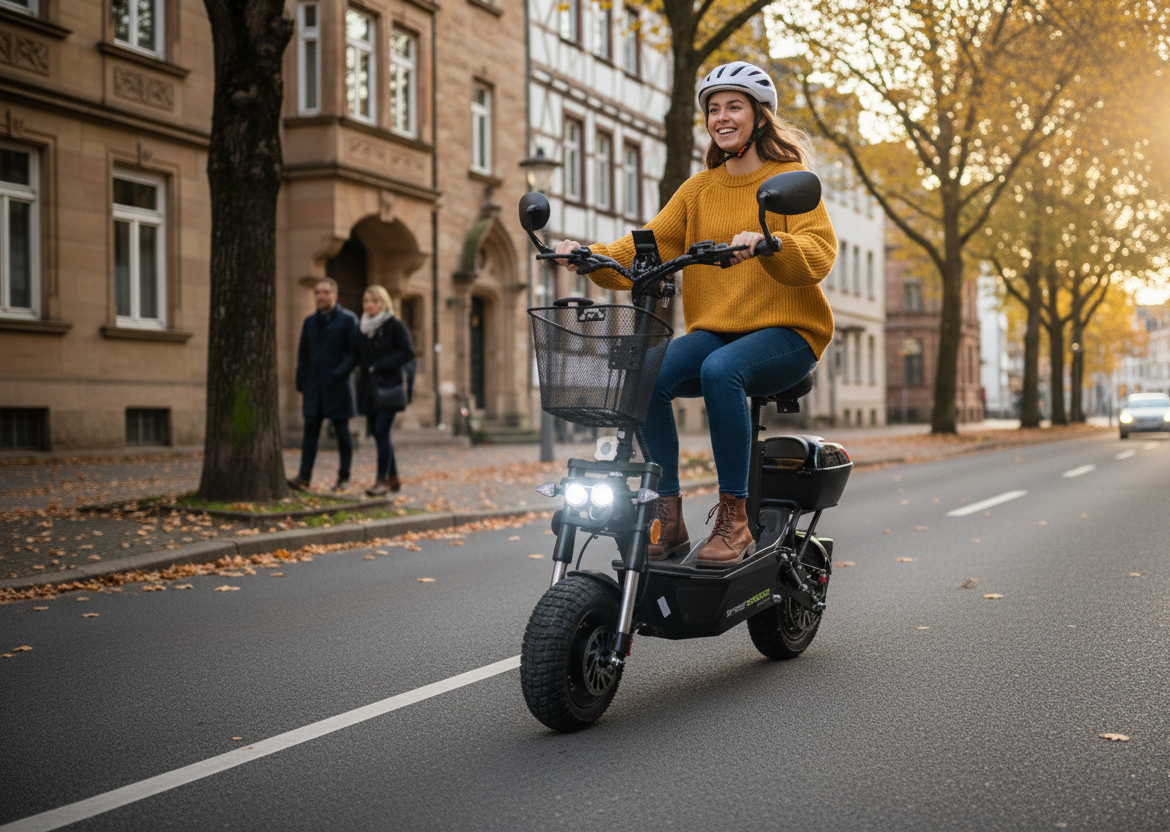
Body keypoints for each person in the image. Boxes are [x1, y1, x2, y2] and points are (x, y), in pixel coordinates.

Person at [554, 61, 837, 568]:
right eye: (713, 109)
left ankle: (735, 518)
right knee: (645, 372)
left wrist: (772, 244)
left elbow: (818, 254)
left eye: (734, 107)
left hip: (791, 331)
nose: (721, 117)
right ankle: (668, 511)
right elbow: (644, 250)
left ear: (758, 117)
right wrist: (588, 255)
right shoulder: (698, 190)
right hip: (718, 331)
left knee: (719, 371)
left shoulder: (790, 182)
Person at [288, 277, 359, 492]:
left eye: (325, 292)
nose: (321, 296)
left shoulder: (348, 320)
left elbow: (355, 353)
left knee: (342, 433)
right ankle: (303, 477)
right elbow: (303, 354)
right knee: (310, 432)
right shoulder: (309, 322)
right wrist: (302, 381)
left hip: (337, 386)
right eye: (318, 293)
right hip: (314, 387)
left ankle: (344, 478)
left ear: (335, 296)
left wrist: (339, 373)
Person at [354, 285, 415, 495]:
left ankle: (381, 482)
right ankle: (394, 478)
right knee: (380, 433)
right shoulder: (361, 328)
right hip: (369, 390)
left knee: (381, 432)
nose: (369, 305)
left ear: (384, 303)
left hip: (389, 387)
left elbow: (407, 353)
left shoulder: (394, 325)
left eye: (374, 301)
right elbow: (358, 356)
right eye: (366, 301)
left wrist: (381, 365)